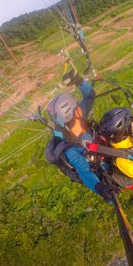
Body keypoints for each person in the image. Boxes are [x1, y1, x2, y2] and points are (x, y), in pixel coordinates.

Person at [46, 69, 118, 202]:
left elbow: (90, 95)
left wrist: (77, 80)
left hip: (106, 151)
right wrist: (100, 188)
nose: (80, 106)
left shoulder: (77, 117)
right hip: (106, 172)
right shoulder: (70, 150)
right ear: (74, 113)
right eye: (77, 106)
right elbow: (85, 172)